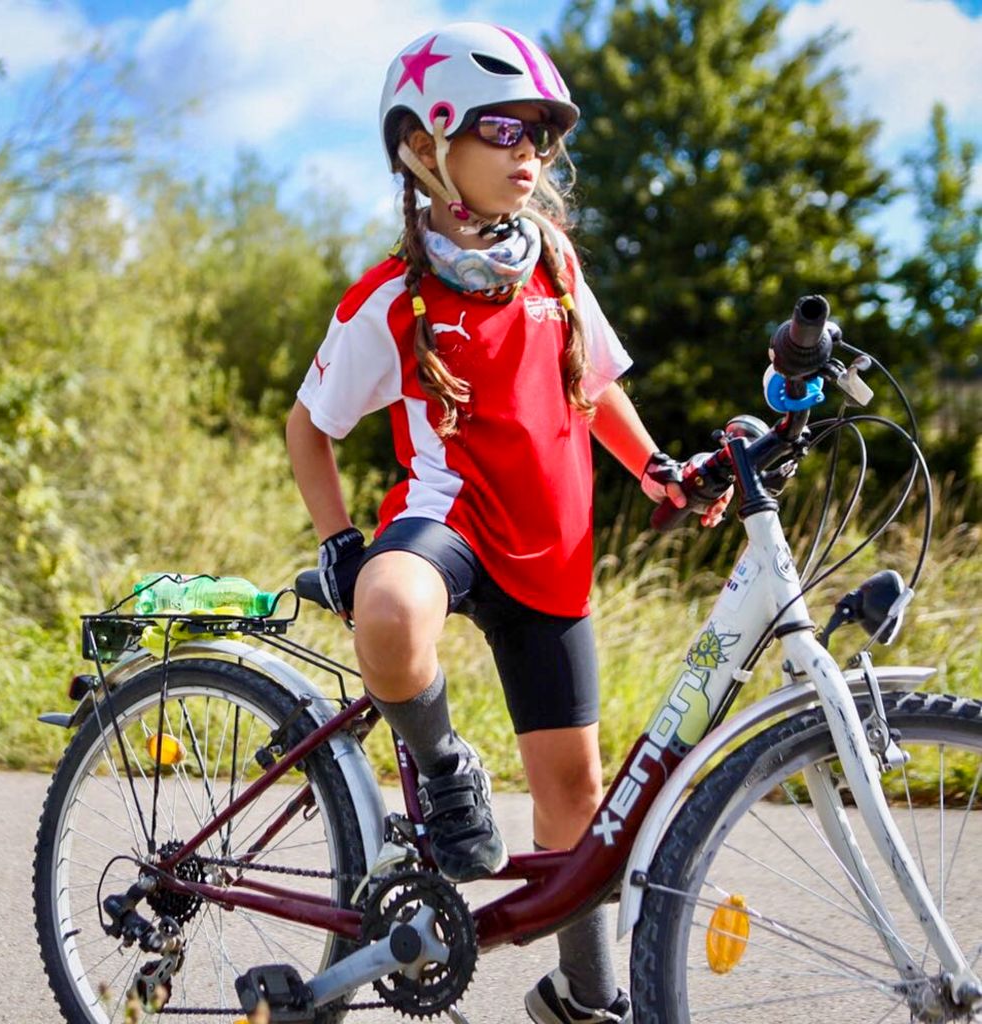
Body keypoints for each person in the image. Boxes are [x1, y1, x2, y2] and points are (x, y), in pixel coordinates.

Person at [286, 22, 729, 1024]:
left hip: (551, 551)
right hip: (447, 526)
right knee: (389, 610)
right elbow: (308, 428)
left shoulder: (557, 268)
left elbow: (598, 389)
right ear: (425, 144)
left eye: (543, 133)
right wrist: (342, 544)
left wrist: (658, 471)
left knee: (577, 800)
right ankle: (446, 778)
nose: (531, 151)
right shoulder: (392, 297)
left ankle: (583, 994)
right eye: (504, 127)